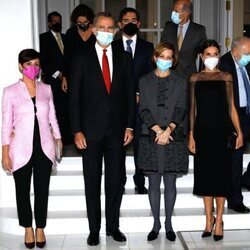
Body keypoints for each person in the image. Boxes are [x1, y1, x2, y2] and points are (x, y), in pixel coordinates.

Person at [69, 12, 136, 246]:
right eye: (102, 28)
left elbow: (130, 96)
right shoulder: (80, 58)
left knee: (115, 182)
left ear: (115, 31)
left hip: (117, 131)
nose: (106, 32)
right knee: (92, 182)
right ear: (94, 29)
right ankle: (94, 229)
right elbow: (74, 99)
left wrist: (129, 125)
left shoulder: (125, 57)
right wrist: (76, 130)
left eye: (110, 28)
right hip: (89, 132)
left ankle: (113, 227)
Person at [1, 49, 62, 249]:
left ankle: (40, 227)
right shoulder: (10, 91)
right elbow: (5, 124)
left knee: (42, 189)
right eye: (29, 64)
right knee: (22, 190)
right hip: (19, 149)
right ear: (21, 66)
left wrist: (58, 138)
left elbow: (52, 115)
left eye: (36, 64)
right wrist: (5, 153)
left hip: (44, 147)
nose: (33, 68)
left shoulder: (46, 88)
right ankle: (27, 227)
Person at [188, 40, 243, 241]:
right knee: (205, 178)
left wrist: (240, 132)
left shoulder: (226, 76)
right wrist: (191, 134)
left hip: (222, 133)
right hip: (202, 133)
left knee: (220, 178)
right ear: (202, 56)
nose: (212, 57)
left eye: (215, 53)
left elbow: (232, 107)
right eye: (208, 53)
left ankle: (219, 220)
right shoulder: (194, 78)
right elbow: (192, 109)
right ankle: (207, 220)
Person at [138, 42, 189, 242]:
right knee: (152, 182)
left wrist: (168, 130)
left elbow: (181, 107)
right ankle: (156, 224)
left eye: (169, 58)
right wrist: (158, 130)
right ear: (155, 57)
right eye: (162, 56)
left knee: (170, 182)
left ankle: (168, 224)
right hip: (150, 135)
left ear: (173, 61)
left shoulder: (180, 81)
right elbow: (143, 108)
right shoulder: (144, 80)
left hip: (173, 136)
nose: (165, 61)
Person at [113, 7, 154, 194]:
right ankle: (119, 181)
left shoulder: (148, 47)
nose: (129, 23)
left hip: (140, 104)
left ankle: (139, 180)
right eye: (126, 20)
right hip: (117, 105)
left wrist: (139, 94)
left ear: (139, 23)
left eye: (133, 20)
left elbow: (149, 75)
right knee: (118, 145)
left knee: (140, 144)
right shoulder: (112, 47)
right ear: (120, 24)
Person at [219, 36, 250, 213]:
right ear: (235, 50)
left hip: (248, 114)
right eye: (246, 53)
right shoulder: (224, 65)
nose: (248, 57)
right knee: (235, 160)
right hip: (233, 119)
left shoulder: (246, 63)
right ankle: (235, 199)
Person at [39, 11, 71, 145]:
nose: (57, 23)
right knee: (54, 110)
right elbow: (44, 60)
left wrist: (67, 74)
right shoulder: (43, 38)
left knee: (67, 109)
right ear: (49, 23)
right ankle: (55, 139)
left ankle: (68, 138)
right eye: (54, 21)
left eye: (59, 21)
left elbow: (69, 58)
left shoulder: (66, 37)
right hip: (53, 81)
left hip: (68, 80)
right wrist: (59, 74)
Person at [161, 0, 207, 80]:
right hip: (168, 75)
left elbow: (203, 55)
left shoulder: (199, 30)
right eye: (173, 10)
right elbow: (161, 49)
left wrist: (201, 76)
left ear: (186, 13)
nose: (173, 13)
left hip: (188, 77)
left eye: (176, 11)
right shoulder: (168, 27)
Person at [61, 3, 96, 93]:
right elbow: (67, 56)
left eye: (85, 22)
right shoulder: (71, 33)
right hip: (74, 75)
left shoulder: (96, 32)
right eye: (79, 23)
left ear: (90, 20)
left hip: (94, 74)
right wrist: (64, 77)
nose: (83, 25)